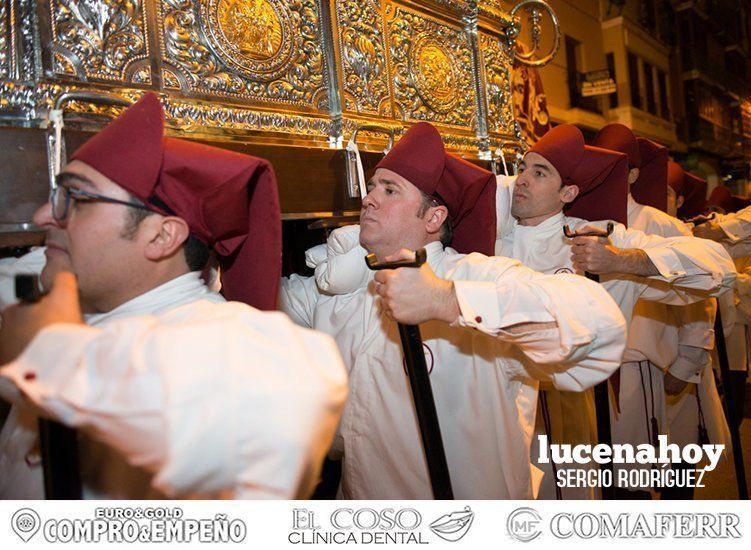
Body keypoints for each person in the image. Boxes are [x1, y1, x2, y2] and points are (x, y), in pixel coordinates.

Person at [0, 93, 348, 499]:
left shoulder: (219, 338)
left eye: (76, 199)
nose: (44, 216)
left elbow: (277, 396)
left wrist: (50, 354)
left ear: (162, 236)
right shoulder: (62, 301)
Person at [280, 121, 629, 499]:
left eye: (389, 189)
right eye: (373, 185)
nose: (369, 198)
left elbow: (600, 322)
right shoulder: (344, 289)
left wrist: (445, 300)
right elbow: (258, 303)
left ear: (433, 218)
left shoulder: (474, 276)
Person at [593, 123, 730, 499]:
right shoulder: (582, 222)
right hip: (598, 374)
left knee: (657, 479)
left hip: (651, 367)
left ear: (633, 175)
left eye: (614, 167)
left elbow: (702, 297)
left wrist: (687, 364)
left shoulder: (660, 224)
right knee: (612, 484)